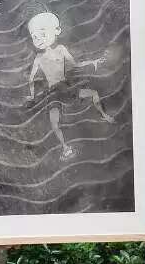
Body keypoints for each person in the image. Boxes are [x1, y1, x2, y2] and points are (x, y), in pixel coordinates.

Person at [24, 11, 114, 160]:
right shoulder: (39, 58)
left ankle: (104, 115)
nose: (38, 39)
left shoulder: (61, 49)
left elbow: (75, 64)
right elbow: (31, 79)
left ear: (57, 31)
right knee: (55, 122)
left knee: (92, 94)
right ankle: (65, 148)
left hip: (65, 88)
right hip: (53, 92)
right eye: (34, 36)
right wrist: (32, 95)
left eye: (41, 33)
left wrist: (93, 62)